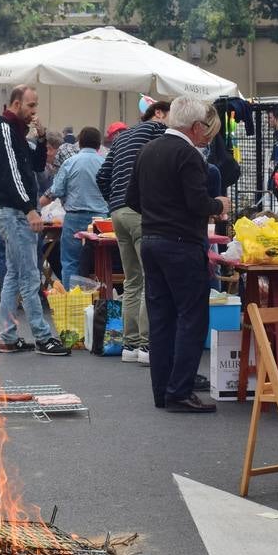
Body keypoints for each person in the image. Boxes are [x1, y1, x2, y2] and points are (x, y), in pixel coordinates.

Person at [126, 97, 230, 413]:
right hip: (182, 243)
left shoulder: (148, 150)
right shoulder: (188, 155)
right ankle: (181, 390)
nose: (205, 134)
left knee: (161, 319)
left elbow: (132, 198)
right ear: (195, 126)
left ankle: (163, 390)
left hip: (152, 240)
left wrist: (158, 214)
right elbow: (198, 203)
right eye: (204, 128)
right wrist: (218, 206)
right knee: (191, 316)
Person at [0, 86, 69, 357]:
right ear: (16, 103)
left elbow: (33, 166)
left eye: (36, 106)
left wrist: (42, 138)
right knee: (29, 276)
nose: (34, 111)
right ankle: (43, 336)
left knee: (14, 275)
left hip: (12, 211)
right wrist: (29, 209)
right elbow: (12, 175)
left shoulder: (16, 132)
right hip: (14, 212)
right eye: (31, 105)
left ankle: (8, 336)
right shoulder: (5, 131)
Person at [97, 100, 171, 364]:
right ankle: (146, 345)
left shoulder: (122, 137)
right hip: (140, 211)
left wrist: (114, 202)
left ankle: (128, 345)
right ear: (160, 113)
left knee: (131, 280)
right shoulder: (157, 131)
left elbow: (102, 176)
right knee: (151, 278)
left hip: (117, 213)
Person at [40, 126, 108, 288]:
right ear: (98, 145)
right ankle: (99, 300)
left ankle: (72, 302)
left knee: (70, 261)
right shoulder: (105, 162)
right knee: (101, 261)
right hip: (100, 219)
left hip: (74, 218)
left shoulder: (70, 163)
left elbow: (56, 190)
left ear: (80, 143)